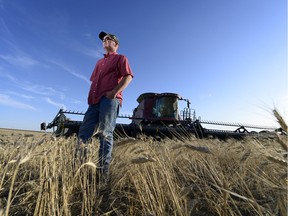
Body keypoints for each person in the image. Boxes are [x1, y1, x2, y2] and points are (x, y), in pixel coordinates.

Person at [77, 31, 134, 178]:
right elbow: (94, 81)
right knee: (83, 134)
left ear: (116, 44)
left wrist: (114, 92)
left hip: (109, 100)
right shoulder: (99, 63)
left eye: (108, 39)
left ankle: (102, 174)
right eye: (103, 40)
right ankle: (79, 169)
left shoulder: (121, 58)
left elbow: (128, 77)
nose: (105, 40)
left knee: (105, 134)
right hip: (94, 102)